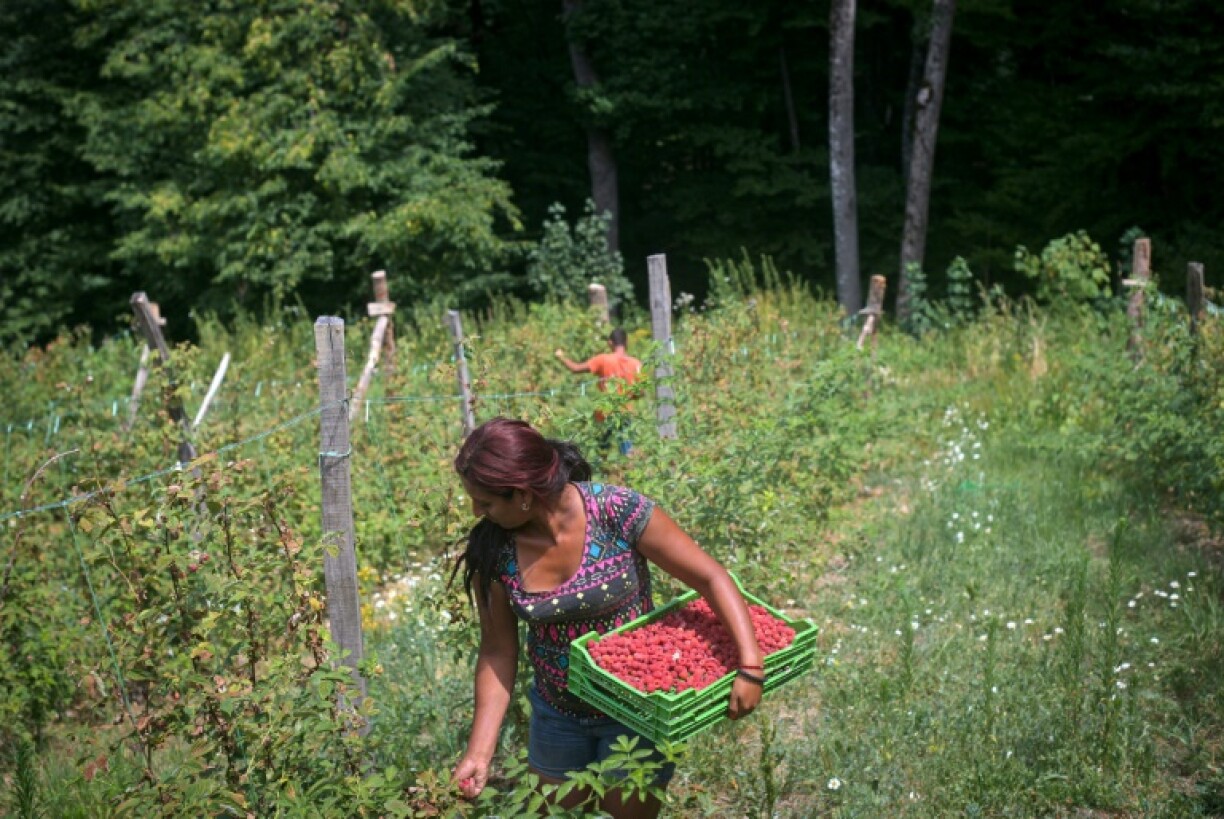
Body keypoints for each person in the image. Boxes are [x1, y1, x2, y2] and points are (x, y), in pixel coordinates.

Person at [449, 417, 765, 818]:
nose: (478, 511)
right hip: (556, 714)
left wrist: (750, 665)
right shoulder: (494, 549)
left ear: (524, 495)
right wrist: (479, 752)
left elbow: (710, 576)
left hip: (636, 712)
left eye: (487, 502)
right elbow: (497, 652)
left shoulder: (615, 511)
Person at [554, 327, 642, 455]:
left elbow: (575, 368)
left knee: (600, 450)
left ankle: (603, 471)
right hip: (624, 412)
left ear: (610, 343)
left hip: (604, 413)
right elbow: (638, 393)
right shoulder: (636, 363)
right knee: (627, 451)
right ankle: (625, 471)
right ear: (626, 342)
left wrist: (561, 356)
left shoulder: (603, 360)